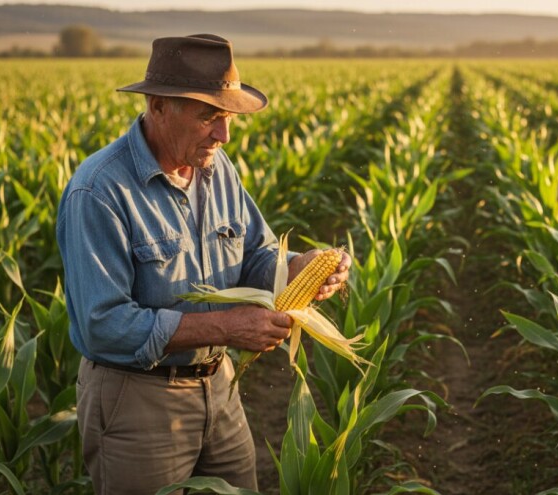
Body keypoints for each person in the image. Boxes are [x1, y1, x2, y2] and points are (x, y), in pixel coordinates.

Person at [56, 34, 350, 494]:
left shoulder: (217, 167)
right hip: (137, 401)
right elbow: (103, 325)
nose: (224, 134)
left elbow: (255, 254)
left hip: (219, 389)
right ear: (158, 107)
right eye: (210, 117)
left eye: (228, 118)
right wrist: (227, 328)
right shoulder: (99, 191)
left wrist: (299, 267)